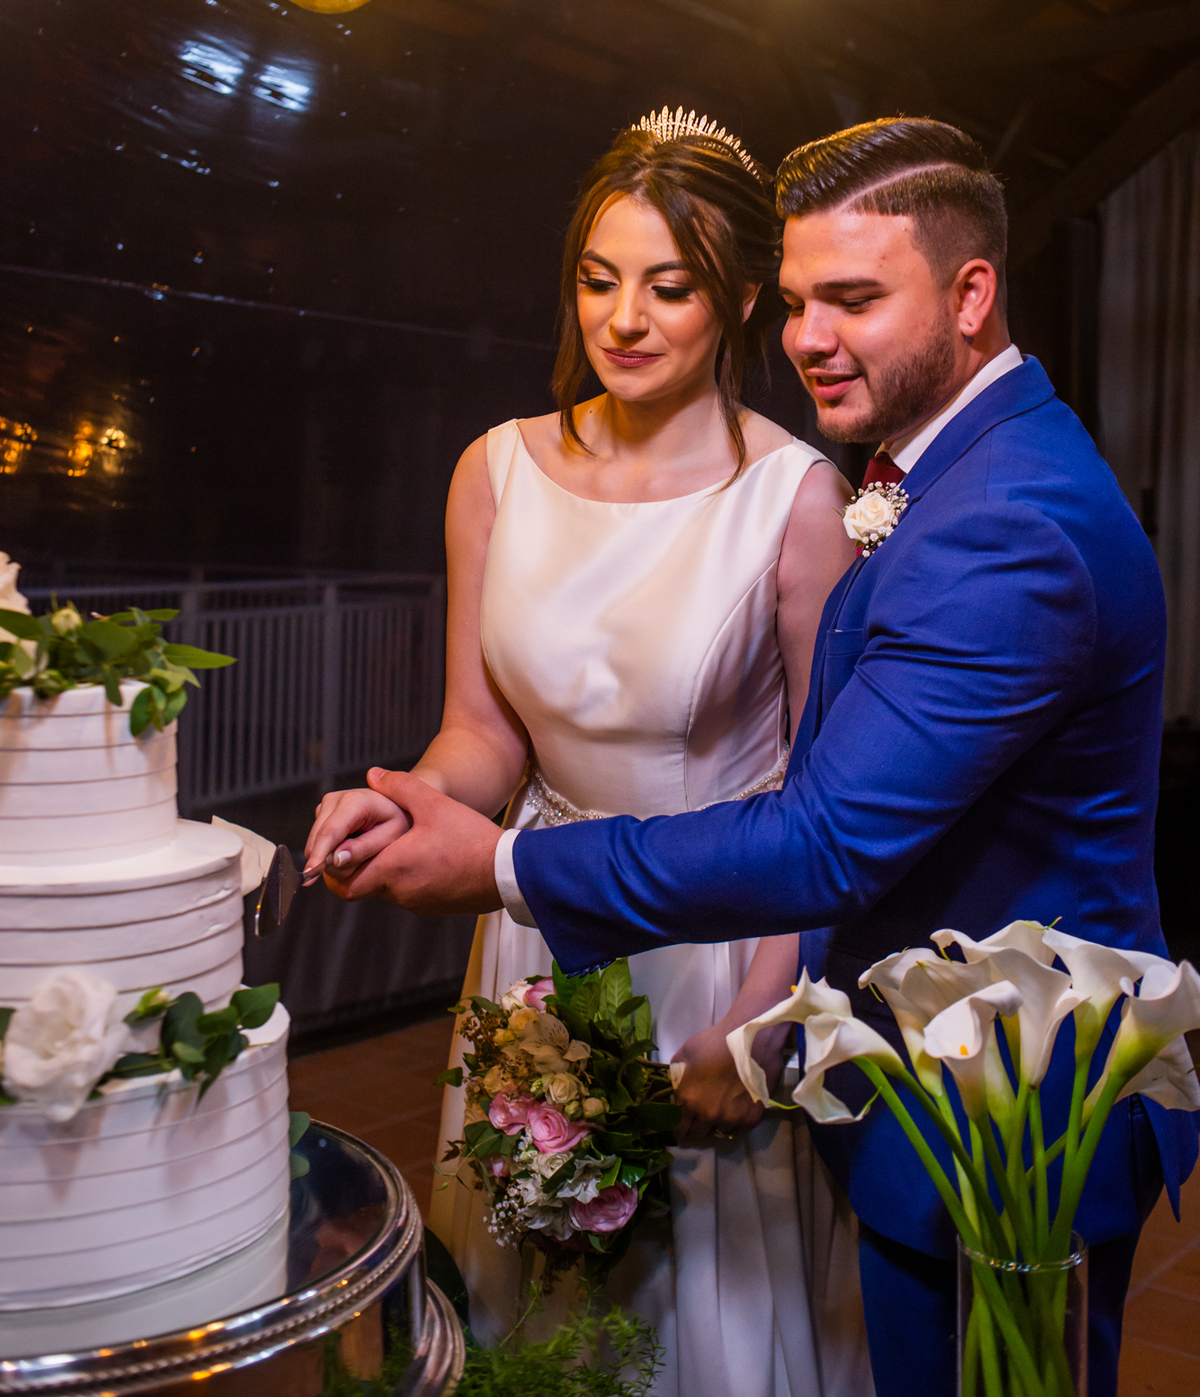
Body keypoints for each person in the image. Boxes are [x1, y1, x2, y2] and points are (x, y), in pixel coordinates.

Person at [306, 116, 1200, 1397]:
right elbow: (492, 729)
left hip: (1003, 1120)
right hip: (898, 1067)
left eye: (854, 300)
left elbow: (824, 832)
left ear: (970, 296)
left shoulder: (1004, 520)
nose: (810, 337)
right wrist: (431, 804)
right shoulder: (950, 471)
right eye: (798, 301)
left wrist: (506, 869)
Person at [306, 109, 872, 1397]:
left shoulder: (797, 499)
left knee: (697, 1317)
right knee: (533, 1310)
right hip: (536, 938)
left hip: (716, 944)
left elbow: (822, 800)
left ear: (739, 298)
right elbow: (483, 733)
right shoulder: (494, 471)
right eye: (598, 279)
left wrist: (763, 1018)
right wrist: (411, 802)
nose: (624, 319)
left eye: (668, 287)